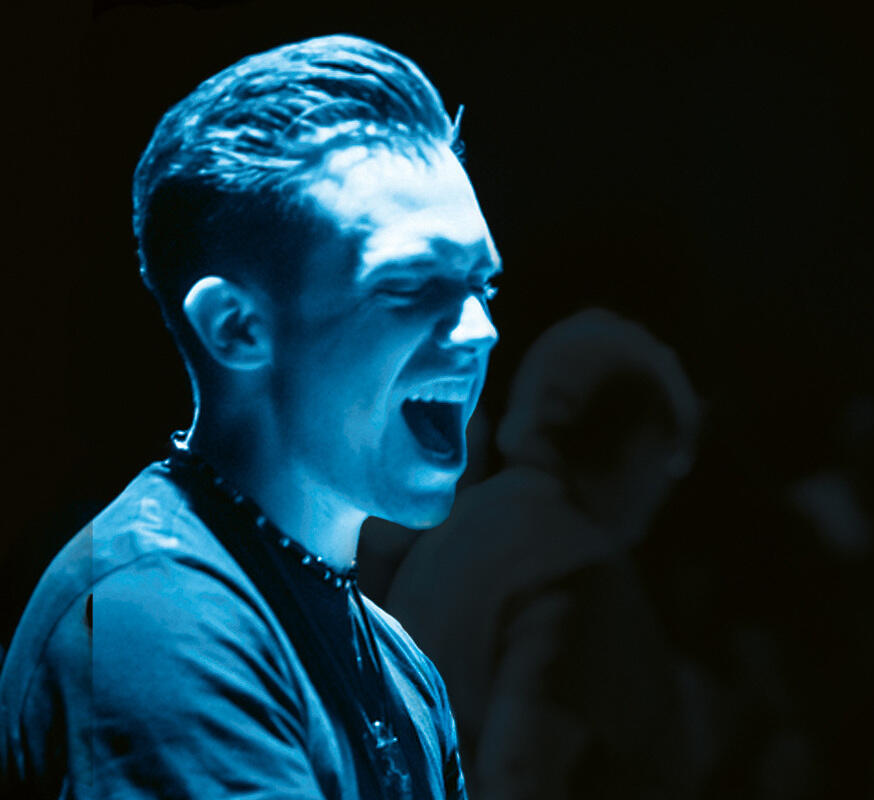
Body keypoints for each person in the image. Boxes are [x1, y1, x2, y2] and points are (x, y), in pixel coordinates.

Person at [0, 34, 501, 799]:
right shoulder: (154, 620)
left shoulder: (399, 662)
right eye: (409, 284)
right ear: (235, 327)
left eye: (481, 286)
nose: (481, 329)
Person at [386, 309, 702, 799]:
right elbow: (520, 771)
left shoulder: (454, 531)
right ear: (636, 443)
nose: (665, 486)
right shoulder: (575, 567)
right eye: (668, 455)